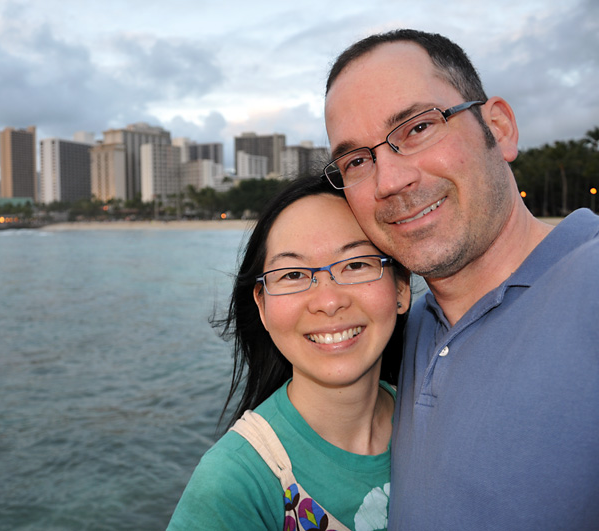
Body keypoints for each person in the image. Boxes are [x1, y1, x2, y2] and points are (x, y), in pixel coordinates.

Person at [323, 29, 599, 529]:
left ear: (499, 127)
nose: (390, 181)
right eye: (358, 160)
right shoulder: (403, 328)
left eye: (417, 128)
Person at [167, 174, 411, 531]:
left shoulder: (437, 422)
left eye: (356, 264)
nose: (328, 301)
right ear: (262, 306)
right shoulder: (234, 483)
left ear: (401, 286)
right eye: (293, 274)